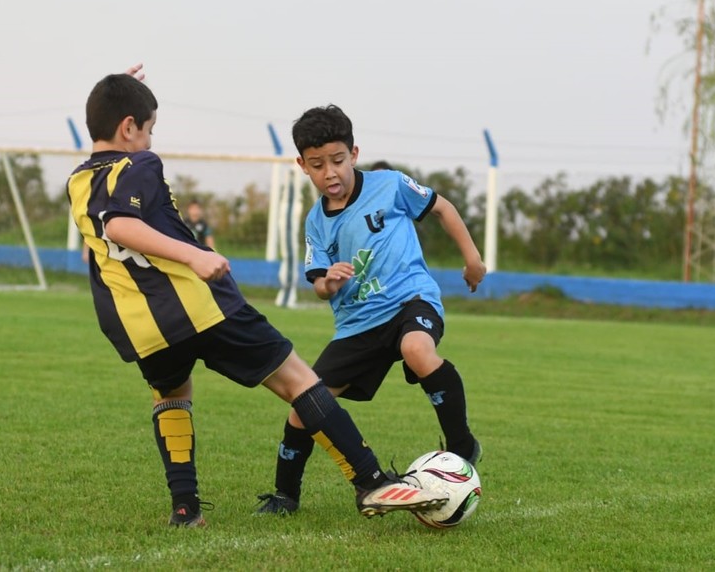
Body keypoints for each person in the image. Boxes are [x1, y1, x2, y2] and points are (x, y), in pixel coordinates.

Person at [66, 69, 448, 527]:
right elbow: (121, 225)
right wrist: (195, 256)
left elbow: (108, 209)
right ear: (128, 127)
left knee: (171, 393)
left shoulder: (77, 182)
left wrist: (115, 88)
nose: (150, 141)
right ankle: (370, 482)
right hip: (200, 306)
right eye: (147, 130)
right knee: (299, 380)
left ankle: (185, 509)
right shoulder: (141, 164)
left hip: (142, 327)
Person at [256, 104, 486, 515]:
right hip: (357, 326)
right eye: (317, 164)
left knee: (418, 351)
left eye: (338, 161)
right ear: (302, 166)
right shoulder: (315, 223)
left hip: (409, 299)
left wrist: (472, 259)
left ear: (354, 154)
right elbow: (319, 288)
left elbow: (442, 208)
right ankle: (285, 496)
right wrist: (330, 282)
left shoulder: (391, 185)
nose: (331, 173)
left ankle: (462, 445)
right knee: (305, 406)